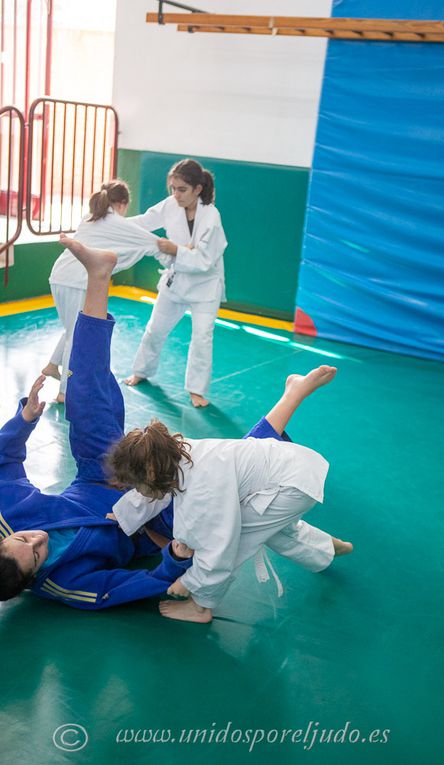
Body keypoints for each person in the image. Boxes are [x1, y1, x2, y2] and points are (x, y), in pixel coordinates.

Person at [0, 238, 349, 614]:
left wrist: (24, 420)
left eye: (23, 538)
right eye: (36, 554)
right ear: (33, 579)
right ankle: (291, 396)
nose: (36, 539)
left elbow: (4, 460)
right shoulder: (68, 585)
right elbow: (138, 584)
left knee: (84, 389)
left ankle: (99, 276)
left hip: (94, 479)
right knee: (223, 474)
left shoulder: (9, 517)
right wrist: (176, 559)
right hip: (153, 522)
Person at [107, 368, 353, 624]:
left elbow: (219, 550)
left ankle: (201, 608)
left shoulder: (201, 492)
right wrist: (123, 514)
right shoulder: (173, 452)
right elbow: (152, 489)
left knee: (239, 537)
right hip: (293, 470)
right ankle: (327, 548)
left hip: (290, 486)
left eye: (137, 485)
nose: (137, 490)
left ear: (150, 473)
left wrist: (189, 581)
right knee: (274, 530)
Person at [43, 180, 173, 402]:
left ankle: (52, 366)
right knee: (76, 335)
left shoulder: (91, 217)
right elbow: (149, 240)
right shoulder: (114, 221)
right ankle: (64, 391)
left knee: (71, 327)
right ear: (122, 204)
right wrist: (172, 249)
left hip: (59, 276)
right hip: (78, 280)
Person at [124, 159, 227, 408]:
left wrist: (174, 249)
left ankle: (196, 390)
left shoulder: (211, 217)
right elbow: (144, 222)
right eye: (172, 188)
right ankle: (142, 371)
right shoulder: (171, 205)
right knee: (155, 329)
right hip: (176, 280)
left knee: (202, 337)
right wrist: (113, 224)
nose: (175, 194)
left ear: (198, 189)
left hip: (205, 286)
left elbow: (203, 260)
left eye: (182, 189)